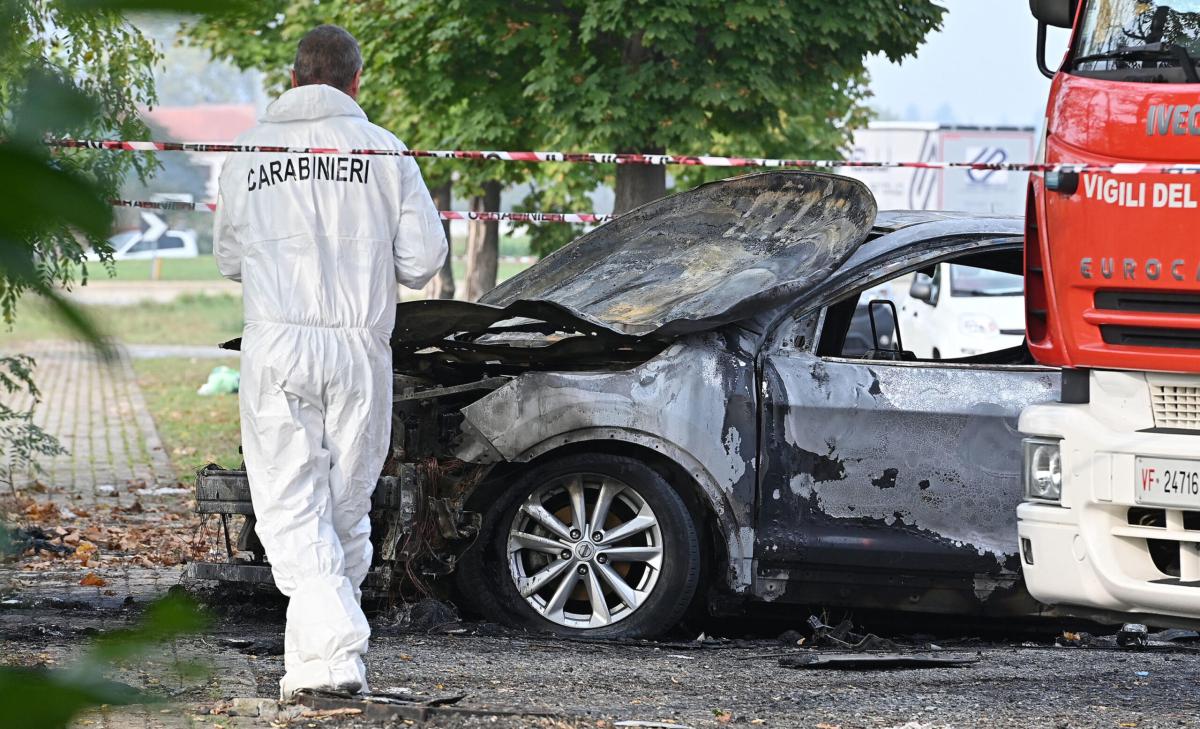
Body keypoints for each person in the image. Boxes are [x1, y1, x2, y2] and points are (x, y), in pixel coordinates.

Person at [212, 24, 447, 698]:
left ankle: (329, 660)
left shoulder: (250, 151)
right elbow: (426, 260)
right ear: (355, 83)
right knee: (342, 511)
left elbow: (230, 257)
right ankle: (321, 667)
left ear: (292, 80)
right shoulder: (384, 150)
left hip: (279, 344)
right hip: (358, 348)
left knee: (291, 509)